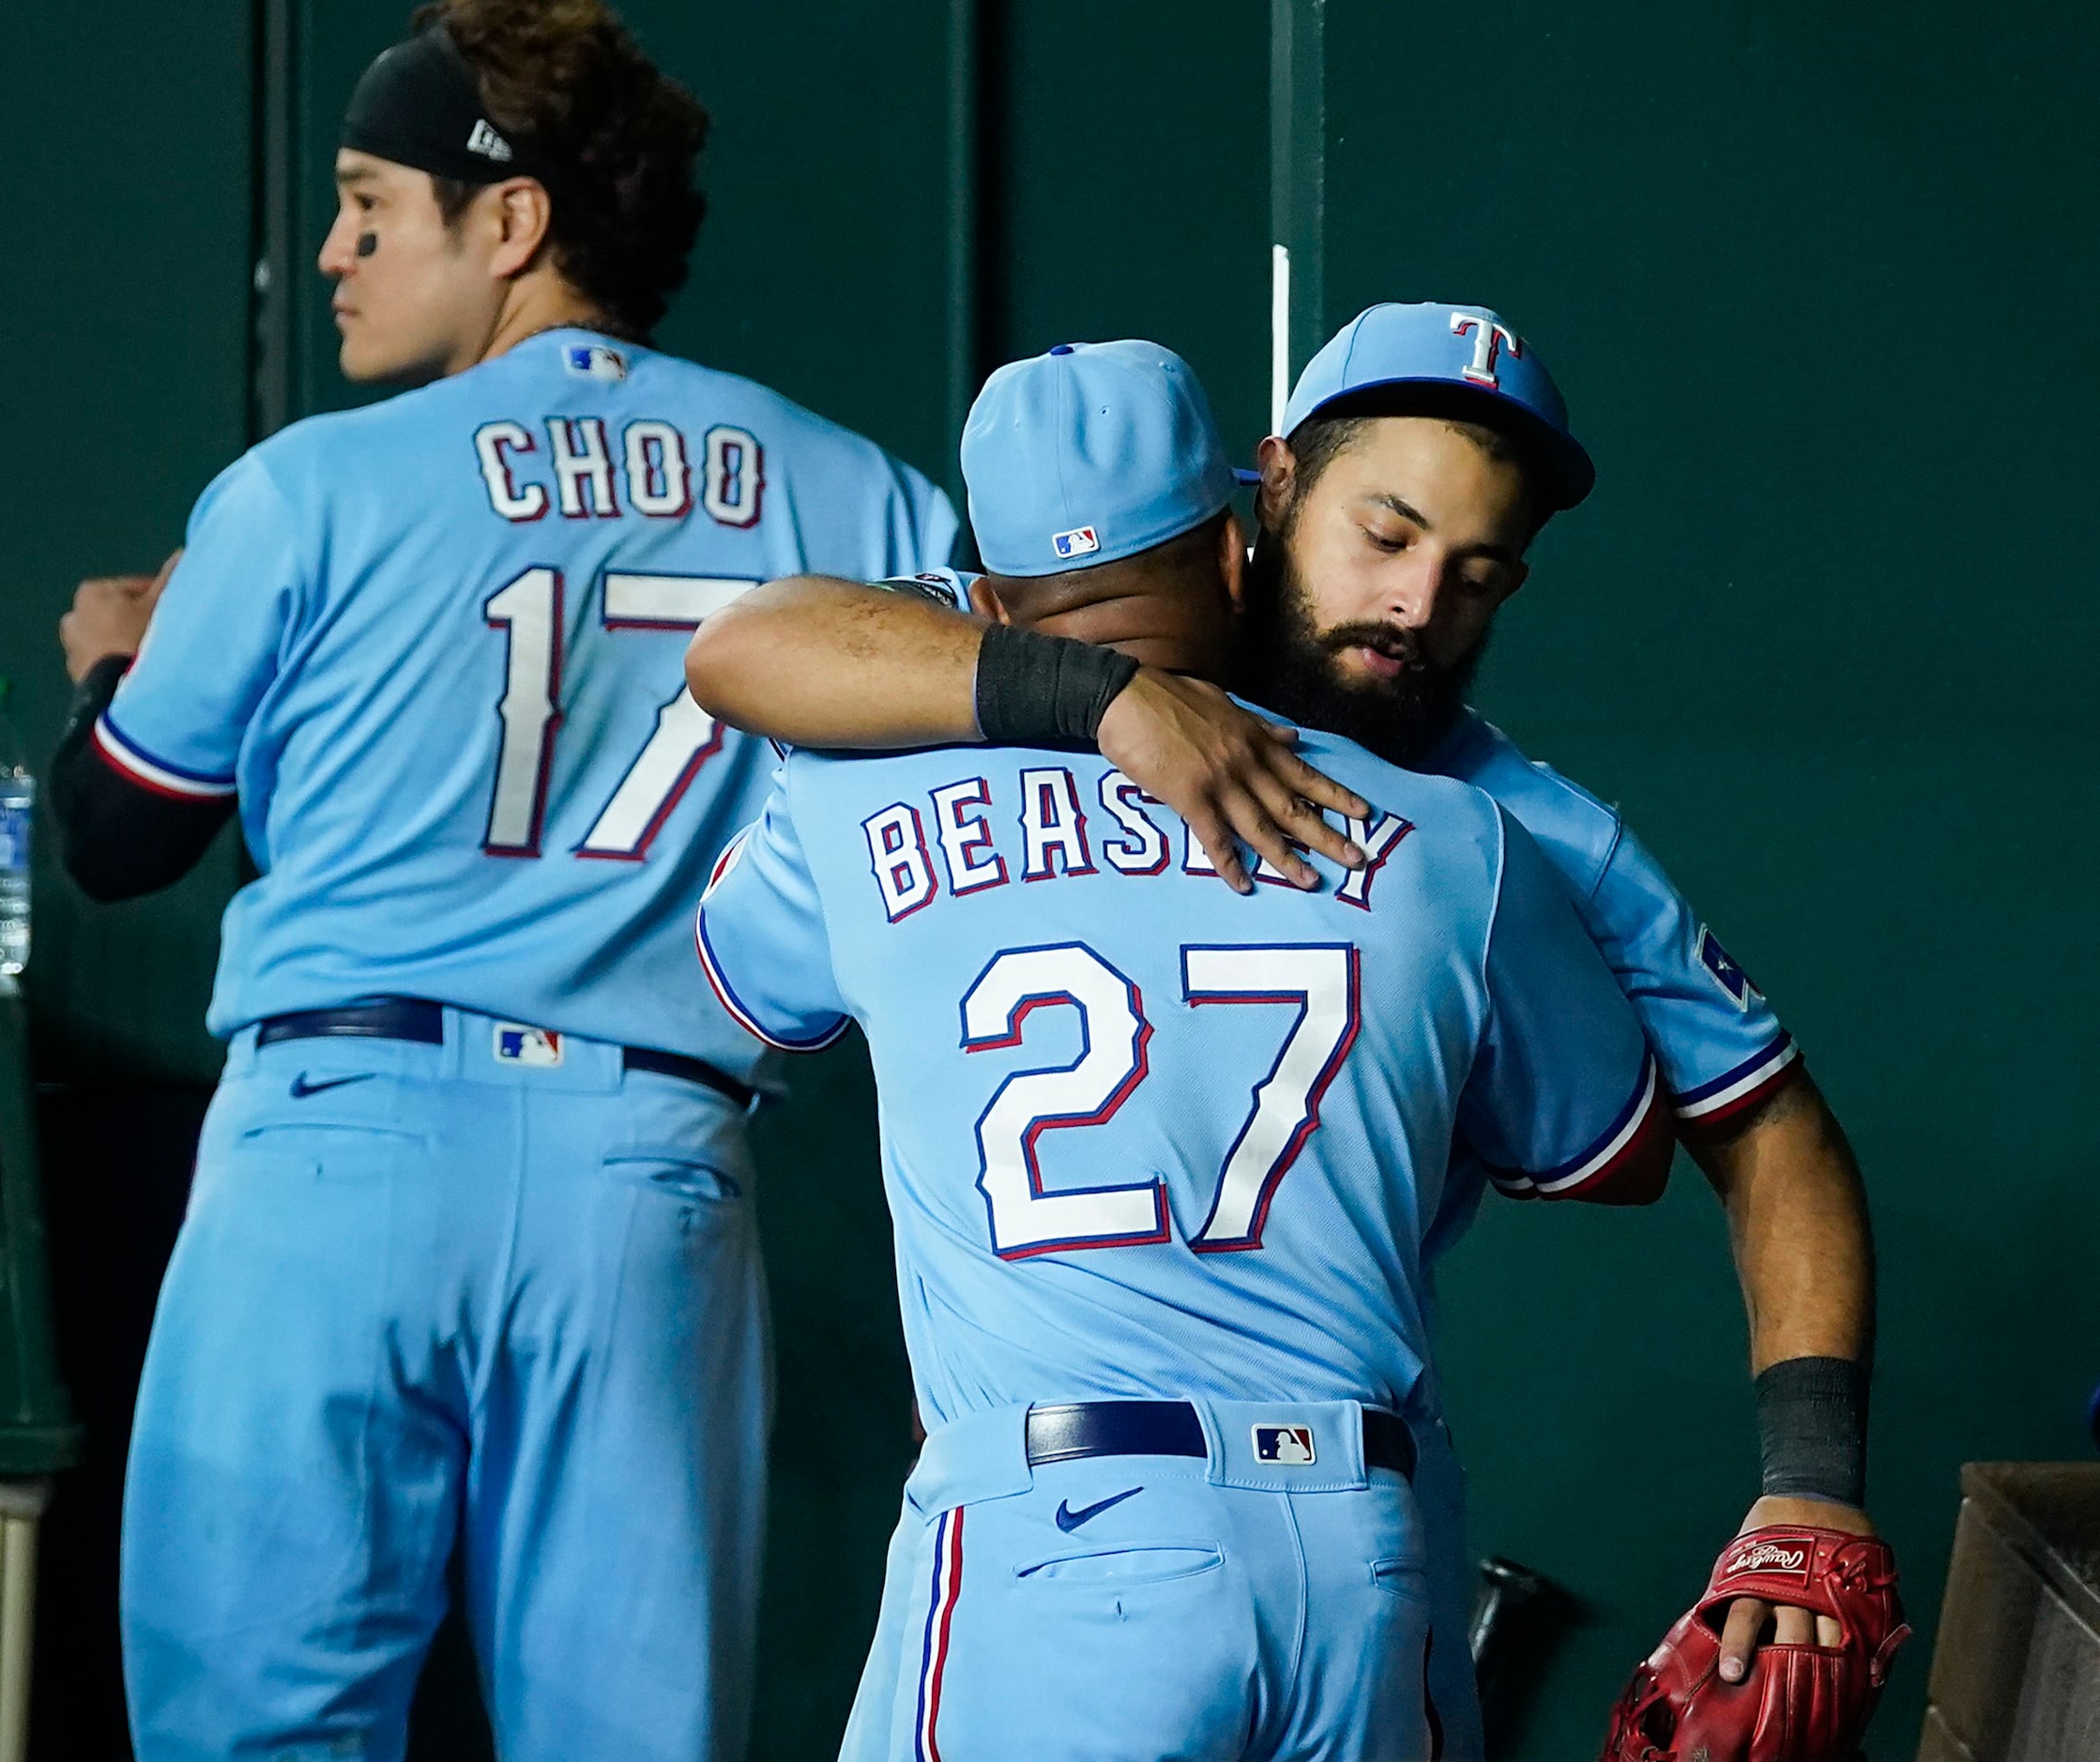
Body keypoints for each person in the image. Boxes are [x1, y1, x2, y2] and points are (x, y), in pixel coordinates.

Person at [685, 308, 1888, 1757]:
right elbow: (1605, 1156)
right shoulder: (1465, 841)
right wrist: (1114, 701)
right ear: (1263, 508)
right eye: (1386, 535)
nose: (1417, 604)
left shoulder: (1515, 817)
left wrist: (1807, 1479)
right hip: (1349, 1545)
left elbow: (1771, 1128)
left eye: (1479, 575)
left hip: (1072, 1526)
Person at [43, 5, 966, 1756]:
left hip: (338, 1143)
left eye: (370, 205)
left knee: (258, 1735)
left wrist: (111, 670)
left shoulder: (301, 488)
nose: (333, 251)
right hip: (649, 1169)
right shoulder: (858, 491)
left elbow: (118, 836)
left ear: (513, 221)